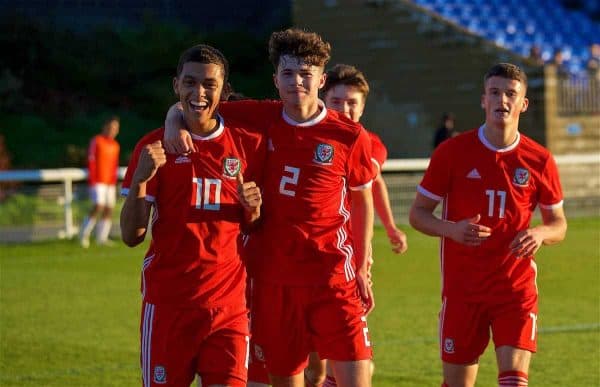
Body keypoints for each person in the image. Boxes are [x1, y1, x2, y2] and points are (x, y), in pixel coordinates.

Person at [165, 28, 376, 387]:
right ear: (275, 79)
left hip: (332, 278)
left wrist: (363, 261)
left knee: (357, 377)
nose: (297, 82)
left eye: (306, 74)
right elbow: (198, 104)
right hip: (273, 280)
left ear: (321, 80)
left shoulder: (349, 135)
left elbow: (362, 197)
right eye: (289, 74)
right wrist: (173, 119)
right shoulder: (258, 117)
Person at [409, 63, 567, 387]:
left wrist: (540, 233)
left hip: (515, 290)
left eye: (511, 94)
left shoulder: (539, 160)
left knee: (514, 380)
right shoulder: (452, 152)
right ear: (483, 100)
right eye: (495, 92)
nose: (502, 101)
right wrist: (451, 229)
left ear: (524, 103)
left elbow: (559, 223)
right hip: (463, 292)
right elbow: (418, 214)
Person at [120, 44, 266, 387]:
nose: (198, 93)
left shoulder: (247, 144)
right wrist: (141, 180)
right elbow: (131, 236)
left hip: (229, 309)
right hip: (170, 304)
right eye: (190, 82)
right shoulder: (154, 147)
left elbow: (255, 226)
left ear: (224, 90)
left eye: (209, 84)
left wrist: (254, 208)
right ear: (176, 86)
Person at [298, 63, 409, 387]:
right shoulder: (304, 133)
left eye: (352, 103)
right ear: (323, 97)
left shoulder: (366, 142)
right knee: (312, 357)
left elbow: (372, 185)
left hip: (347, 258)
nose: (345, 110)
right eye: (337, 101)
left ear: (362, 107)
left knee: (349, 352)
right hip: (305, 254)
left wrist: (390, 228)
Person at [79, 116, 120, 248]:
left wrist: (113, 182)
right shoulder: (97, 141)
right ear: (105, 127)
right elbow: (91, 160)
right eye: (110, 127)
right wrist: (92, 180)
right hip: (98, 181)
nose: (112, 130)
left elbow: (114, 165)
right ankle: (83, 235)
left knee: (109, 209)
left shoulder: (115, 145)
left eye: (115, 128)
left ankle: (102, 238)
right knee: (98, 206)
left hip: (110, 183)